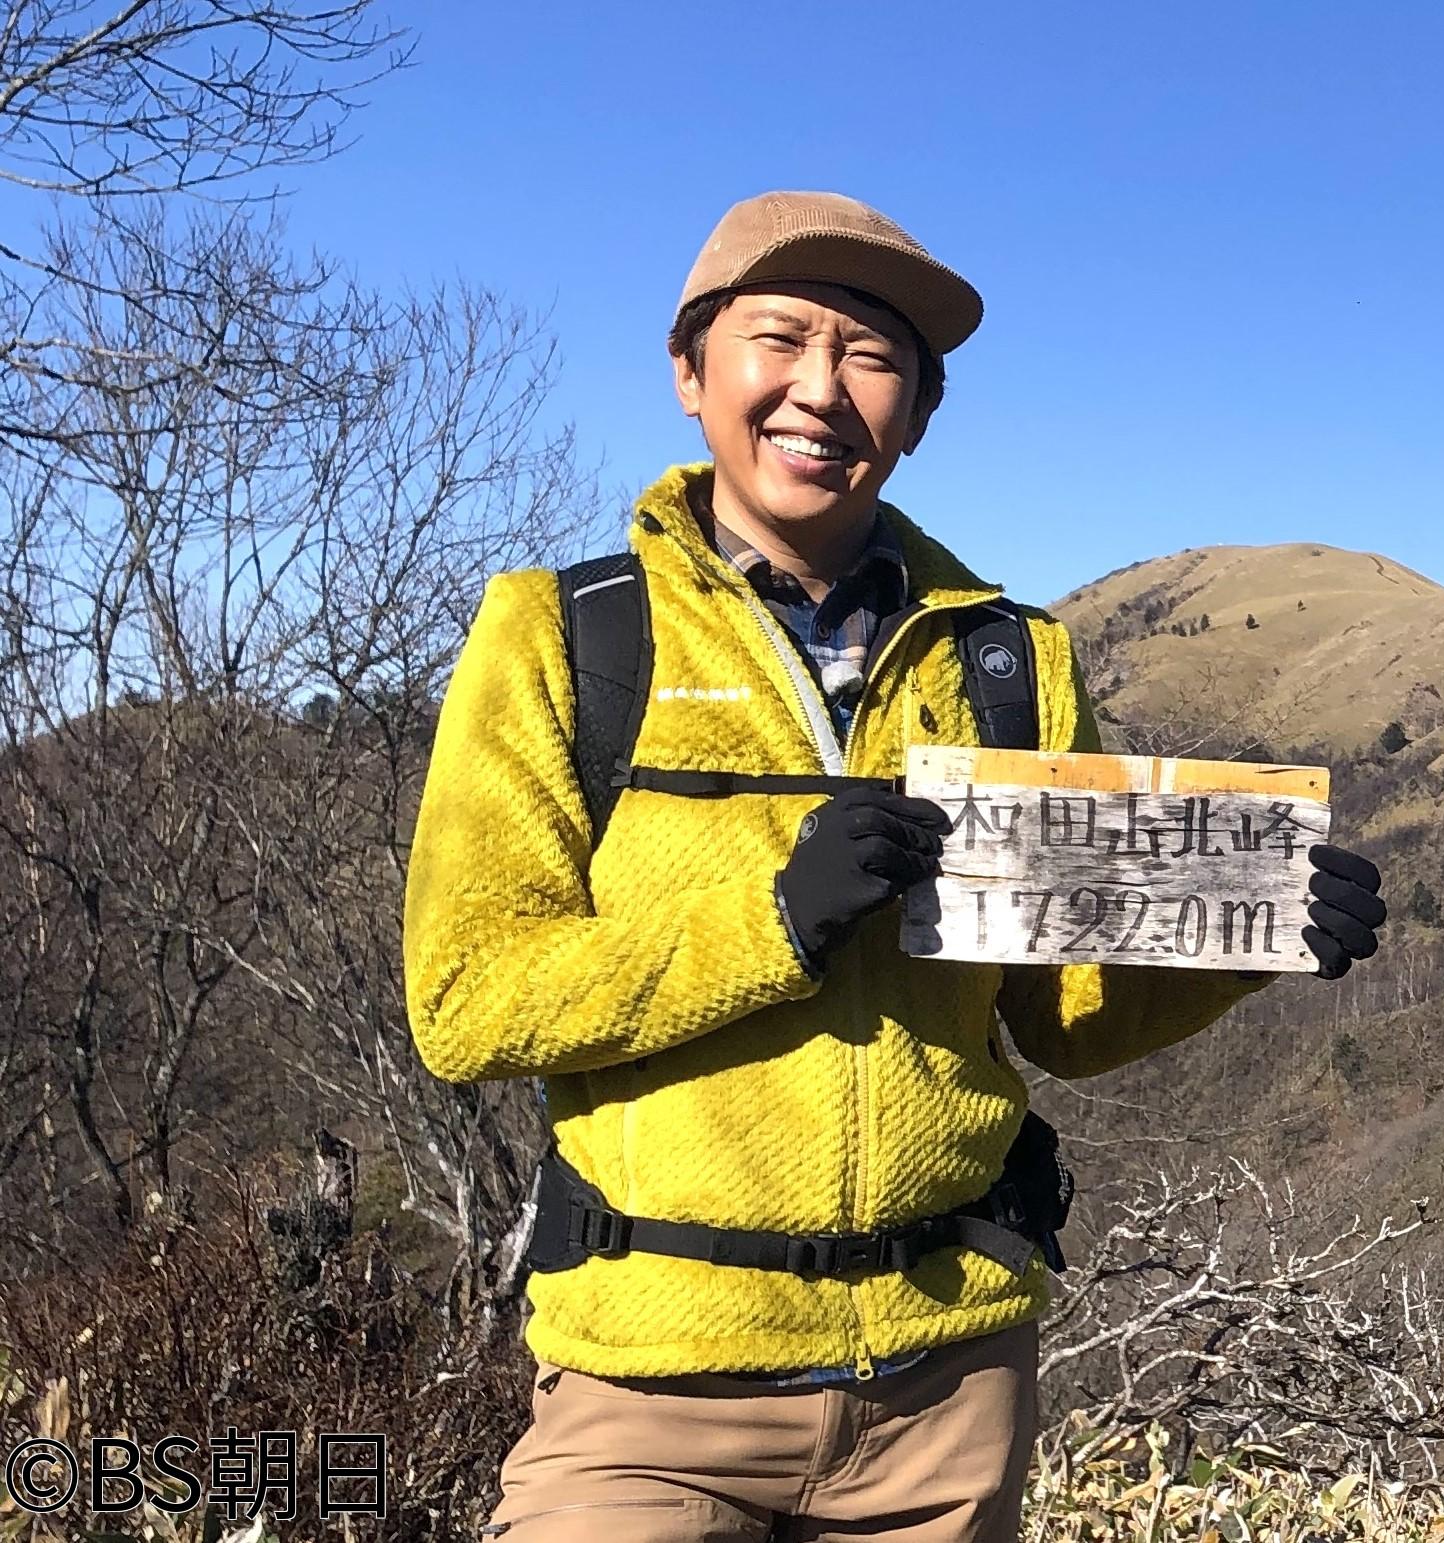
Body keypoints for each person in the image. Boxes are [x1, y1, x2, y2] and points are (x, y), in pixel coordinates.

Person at [400, 190, 1387, 1542]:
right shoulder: (564, 638)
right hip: (650, 1391)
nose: (821, 389)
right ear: (691, 373)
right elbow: (469, 1000)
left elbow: (1060, 1016)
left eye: (872, 359)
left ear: (917, 413)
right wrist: (771, 920)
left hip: (945, 1390)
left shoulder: (1008, 662)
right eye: (779, 339)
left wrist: (1248, 940)